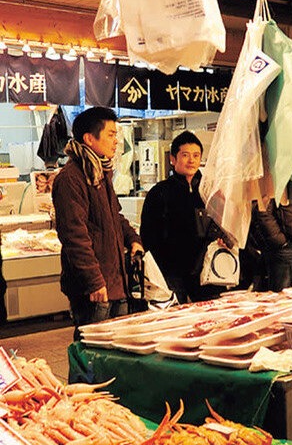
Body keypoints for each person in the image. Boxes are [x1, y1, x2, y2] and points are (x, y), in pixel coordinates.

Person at [52, 107, 143, 334]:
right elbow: (74, 236)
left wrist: (133, 239)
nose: (116, 141)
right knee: (91, 354)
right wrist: (94, 280)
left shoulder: (100, 172)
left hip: (116, 281)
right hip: (94, 287)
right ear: (89, 139)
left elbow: (115, 217)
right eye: (111, 134)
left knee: (116, 352)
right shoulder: (71, 179)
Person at [140, 131, 229, 304]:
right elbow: (149, 234)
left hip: (208, 268)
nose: (191, 160)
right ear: (173, 159)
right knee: (176, 320)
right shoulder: (159, 192)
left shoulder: (209, 190)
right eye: (185, 155)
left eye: (196, 155)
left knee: (211, 319)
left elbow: (222, 223)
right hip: (173, 272)